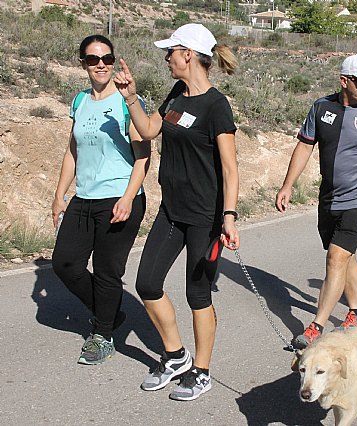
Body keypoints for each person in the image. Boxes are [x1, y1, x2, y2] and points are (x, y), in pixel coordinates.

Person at [113, 23, 240, 401]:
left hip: (206, 217)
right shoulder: (176, 94)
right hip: (172, 212)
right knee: (147, 284)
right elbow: (150, 130)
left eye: (171, 51)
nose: (166, 57)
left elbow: (231, 168)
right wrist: (131, 98)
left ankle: (201, 371)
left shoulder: (217, 105)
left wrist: (229, 217)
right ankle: (176, 356)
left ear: (188, 55)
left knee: (197, 294)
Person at [275, 54, 357, 349]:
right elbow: (304, 147)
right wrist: (287, 186)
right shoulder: (321, 108)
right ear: (344, 81)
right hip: (328, 197)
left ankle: (316, 326)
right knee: (345, 256)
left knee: (336, 258)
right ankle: (356, 311)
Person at [51, 35, 150, 366]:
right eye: (93, 59)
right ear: (83, 64)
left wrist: (127, 197)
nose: (101, 64)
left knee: (108, 271)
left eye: (106, 58)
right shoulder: (80, 101)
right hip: (85, 196)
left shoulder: (125, 103)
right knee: (65, 263)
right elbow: (73, 150)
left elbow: (143, 156)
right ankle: (109, 311)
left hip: (120, 197)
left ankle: (102, 334)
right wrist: (59, 194)